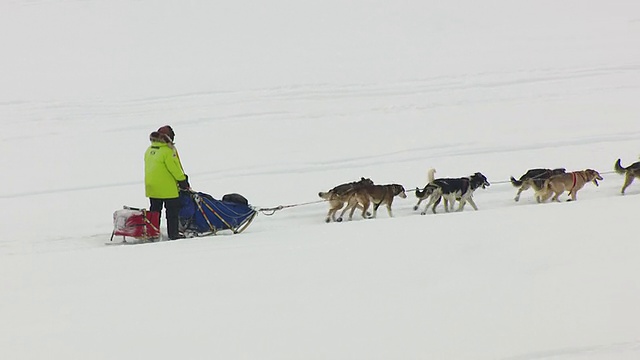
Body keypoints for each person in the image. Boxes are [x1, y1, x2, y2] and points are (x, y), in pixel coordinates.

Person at [144, 125, 190, 240]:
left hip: (152, 187)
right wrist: (182, 180)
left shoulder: (149, 150)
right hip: (167, 188)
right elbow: (174, 168)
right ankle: (173, 234)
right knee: (172, 211)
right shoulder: (167, 151)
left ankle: (152, 233)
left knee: (155, 210)